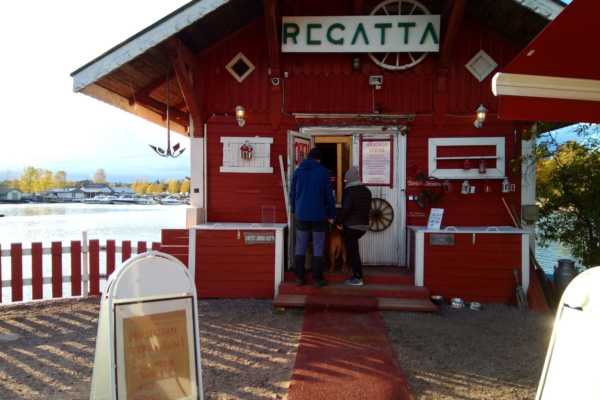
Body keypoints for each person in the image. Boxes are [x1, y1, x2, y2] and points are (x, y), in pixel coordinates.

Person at [290, 147, 336, 287]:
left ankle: (299, 277)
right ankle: (317, 279)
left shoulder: (298, 171)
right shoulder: (323, 172)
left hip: (301, 215)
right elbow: (329, 195)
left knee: (301, 245)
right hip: (318, 215)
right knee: (318, 245)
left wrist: (294, 209)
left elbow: (292, 193)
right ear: (318, 159)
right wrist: (331, 214)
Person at [336, 166, 372, 286]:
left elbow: (345, 209)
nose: (345, 182)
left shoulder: (349, 191)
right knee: (354, 249)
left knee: (353, 251)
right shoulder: (367, 191)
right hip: (363, 226)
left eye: (346, 180)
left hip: (351, 226)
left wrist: (338, 222)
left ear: (350, 178)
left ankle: (357, 277)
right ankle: (355, 273)